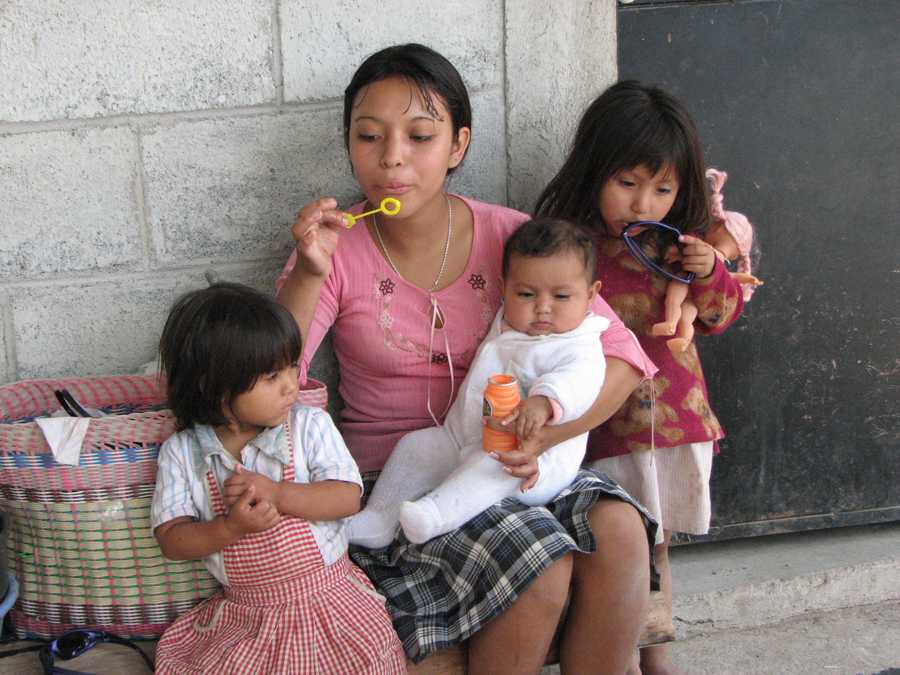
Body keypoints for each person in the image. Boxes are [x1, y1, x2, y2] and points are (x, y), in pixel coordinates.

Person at [276, 44, 659, 673]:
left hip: (523, 456)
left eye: (419, 136)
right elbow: (275, 373)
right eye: (369, 136)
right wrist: (310, 273)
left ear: (458, 146)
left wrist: (547, 436)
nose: (392, 157)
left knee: (619, 531)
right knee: (540, 557)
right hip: (403, 479)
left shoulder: (511, 236)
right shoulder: (334, 248)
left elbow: (619, 357)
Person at [535, 80, 746, 675]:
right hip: (600, 427)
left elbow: (719, 317)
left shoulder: (681, 247)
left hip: (675, 426)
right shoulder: (572, 248)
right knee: (614, 551)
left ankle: (653, 654)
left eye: (662, 187)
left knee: (657, 549)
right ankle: (619, 655)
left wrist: (711, 274)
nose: (642, 203)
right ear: (593, 170)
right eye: (626, 183)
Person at [150, 282, 405, 674]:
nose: (291, 384)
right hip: (248, 616)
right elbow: (172, 539)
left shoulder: (308, 426)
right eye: (272, 375)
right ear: (214, 386)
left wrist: (277, 493)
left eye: (291, 365)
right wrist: (229, 528)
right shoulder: (183, 453)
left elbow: (346, 498)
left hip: (331, 604)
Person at [348, 218, 608, 546]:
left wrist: (544, 402)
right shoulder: (509, 320)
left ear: (591, 294)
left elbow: (581, 381)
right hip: (462, 436)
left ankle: (434, 515)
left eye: (561, 296)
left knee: (493, 465)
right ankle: (379, 518)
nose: (542, 308)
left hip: (528, 461)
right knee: (416, 446)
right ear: (504, 289)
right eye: (526, 293)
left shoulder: (579, 342)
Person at [650, 168, 762, 353]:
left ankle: (681, 338)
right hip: (682, 281)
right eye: (720, 243)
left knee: (686, 316)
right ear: (714, 226)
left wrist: (745, 279)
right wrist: (677, 253)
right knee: (674, 301)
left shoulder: (717, 264)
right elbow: (681, 249)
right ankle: (669, 322)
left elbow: (732, 279)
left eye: (728, 255)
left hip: (691, 295)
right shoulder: (688, 235)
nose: (721, 254)